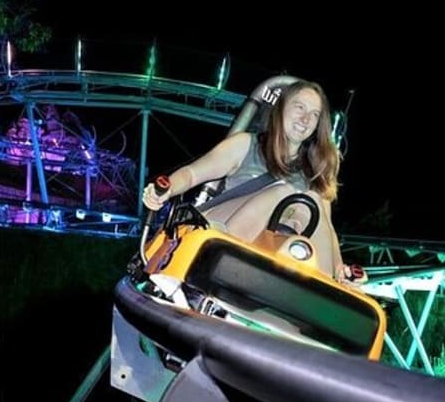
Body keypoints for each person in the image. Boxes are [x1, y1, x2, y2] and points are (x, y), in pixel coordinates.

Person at [143, 79, 358, 284]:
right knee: (284, 192)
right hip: (219, 229)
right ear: (281, 109)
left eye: (314, 114)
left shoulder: (316, 170)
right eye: (299, 107)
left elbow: (327, 228)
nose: (305, 119)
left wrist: (340, 269)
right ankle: (216, 268)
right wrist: (167, 189)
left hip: (270, 248)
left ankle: (324, 288)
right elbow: (191, 174)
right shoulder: (246, 144)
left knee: (312, 201)